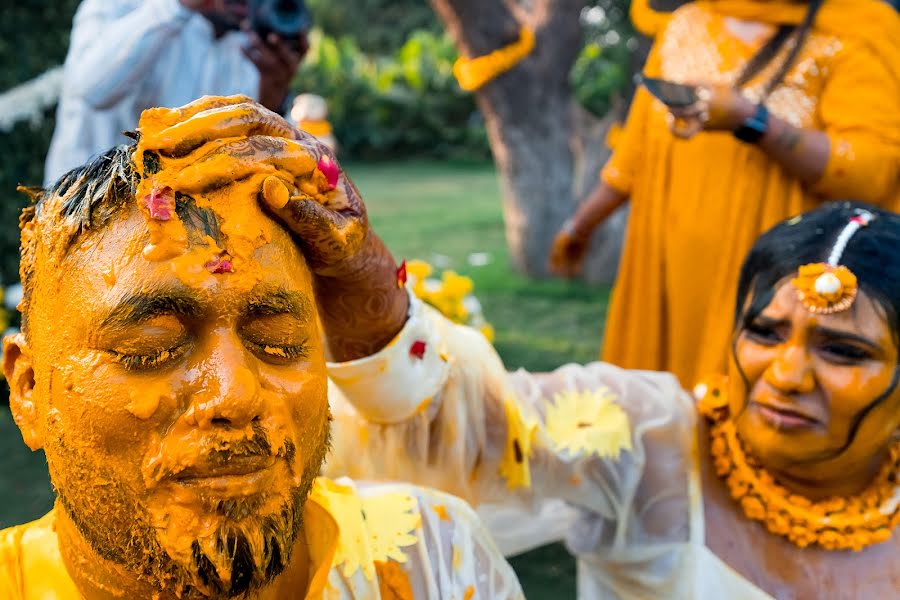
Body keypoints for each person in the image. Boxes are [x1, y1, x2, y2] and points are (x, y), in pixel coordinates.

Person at [0, 97, 523, 598]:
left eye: (277, 343)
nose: (235, 396)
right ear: (27, 390)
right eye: (150, 349)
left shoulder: (433, 560)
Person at [327, 199, 900, 599]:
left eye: (844, 352)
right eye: (765, 333)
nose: (788, 374)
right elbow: (452, 415)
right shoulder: (650, 434)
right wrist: (358, 276)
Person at [547, 0, 900, 389]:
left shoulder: (856, 29)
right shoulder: (686, 24)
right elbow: (634, 154)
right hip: (671, 271)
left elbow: (870, 172)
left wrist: (752, 120)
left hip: (776, 273)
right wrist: (580, 226)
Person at [44, 0, 309, 185]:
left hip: (172, 234)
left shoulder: (250, 45)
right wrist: (177, 6)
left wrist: (275, 96)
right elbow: (91, 91)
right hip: (81, 218)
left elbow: (242, 159)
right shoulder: (120, 5)